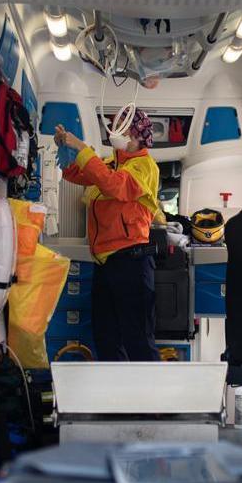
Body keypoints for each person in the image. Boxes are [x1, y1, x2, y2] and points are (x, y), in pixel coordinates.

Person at [54, 108, 161, 361]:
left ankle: (152, 389)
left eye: (122, 127)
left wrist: (82, 148)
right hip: (106, 263)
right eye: (114, 126)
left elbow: (114, 185)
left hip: (131, 261)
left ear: (137, 134)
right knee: (106, 339)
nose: (115, 131)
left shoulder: (144, 166)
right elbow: (78, 174)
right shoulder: (112, 163)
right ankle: (116, 388)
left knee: (138, 341)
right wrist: (66, 150)